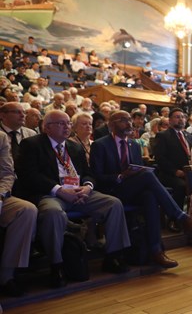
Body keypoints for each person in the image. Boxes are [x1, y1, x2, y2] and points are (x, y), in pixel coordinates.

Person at [15, 110, 132, 288]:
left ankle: (113, 255)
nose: (67, 127)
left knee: (113, 203)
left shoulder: (74, 147)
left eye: (68, 123)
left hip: (79, 192)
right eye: (61, 123)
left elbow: (88, 173)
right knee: (53, 213)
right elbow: (29, 175)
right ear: (46, 127)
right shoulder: (32, 144)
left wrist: (87, 187)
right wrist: (59, 190)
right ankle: (57, 265)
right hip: (51, 194)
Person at [90, 111, 192, 268]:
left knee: (150, 196)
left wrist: (133, 173)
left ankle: (156, 251)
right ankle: (181, 218)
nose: (129, 124)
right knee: (146, 177)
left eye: (130, 120)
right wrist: (120, 176)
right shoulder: (100, 145)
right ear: (111, 125)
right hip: (111, 191)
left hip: (132, 190)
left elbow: (138, 169)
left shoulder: (134, 145)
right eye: (123, 120)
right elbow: (97, 177)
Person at [0, 131, 38, 297]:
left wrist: (1, 195)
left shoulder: (1, 137)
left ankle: (6, 275)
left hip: (1, 196)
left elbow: (7, 173)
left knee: (26, 210)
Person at [152, 108, 192, 229]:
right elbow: (160, 158)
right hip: (169, 174)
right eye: (177, 117)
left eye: (182, 117)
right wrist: (175, 171)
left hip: (190, 172)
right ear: (170, 120)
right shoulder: (163, 135)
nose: (180, 119)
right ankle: (175, 219)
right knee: (181, 186)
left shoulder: (189, 136)